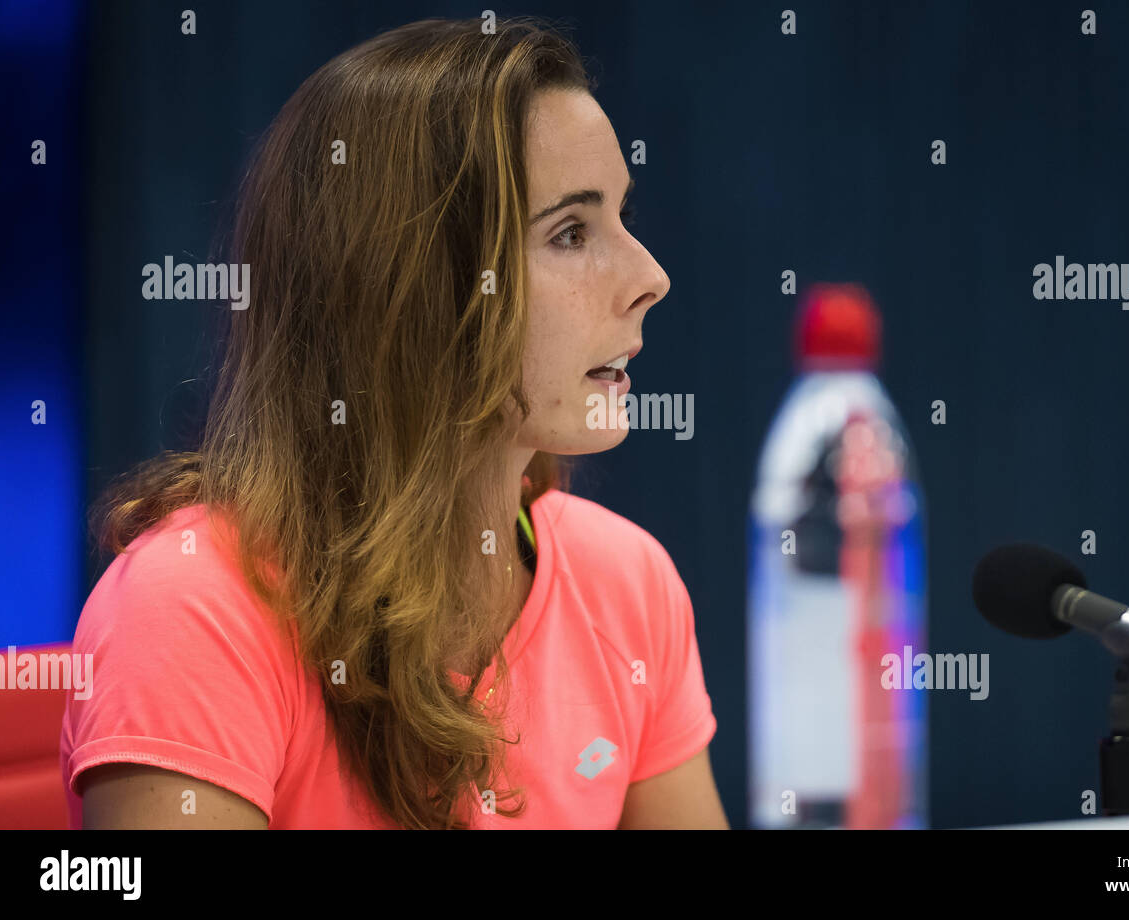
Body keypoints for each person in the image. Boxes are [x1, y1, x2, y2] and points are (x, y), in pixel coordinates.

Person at [61, 16, 728, 830]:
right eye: (571, 232)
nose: (650, 276)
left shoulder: (630, 585)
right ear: (411, 290)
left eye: (622, 218)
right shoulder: (191, 608)